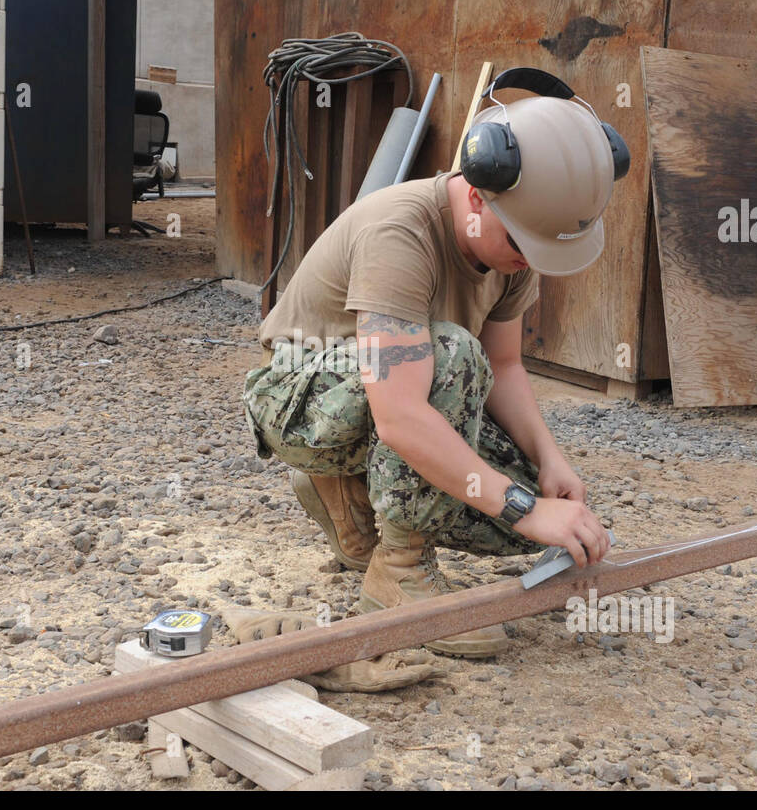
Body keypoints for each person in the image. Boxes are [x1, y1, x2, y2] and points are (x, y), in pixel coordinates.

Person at [242, 70, 629, 658]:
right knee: (452, 356)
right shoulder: (401, 230)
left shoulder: (513, 245)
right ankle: (397, 574)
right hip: (298, 401)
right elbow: (398, 416)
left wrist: (549, 466)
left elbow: (506, 367)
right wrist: (524, 509)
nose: (527, 264)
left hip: (386, 393)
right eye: (522, 246)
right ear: (476, 195)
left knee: (527, 511)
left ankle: (348, 497)